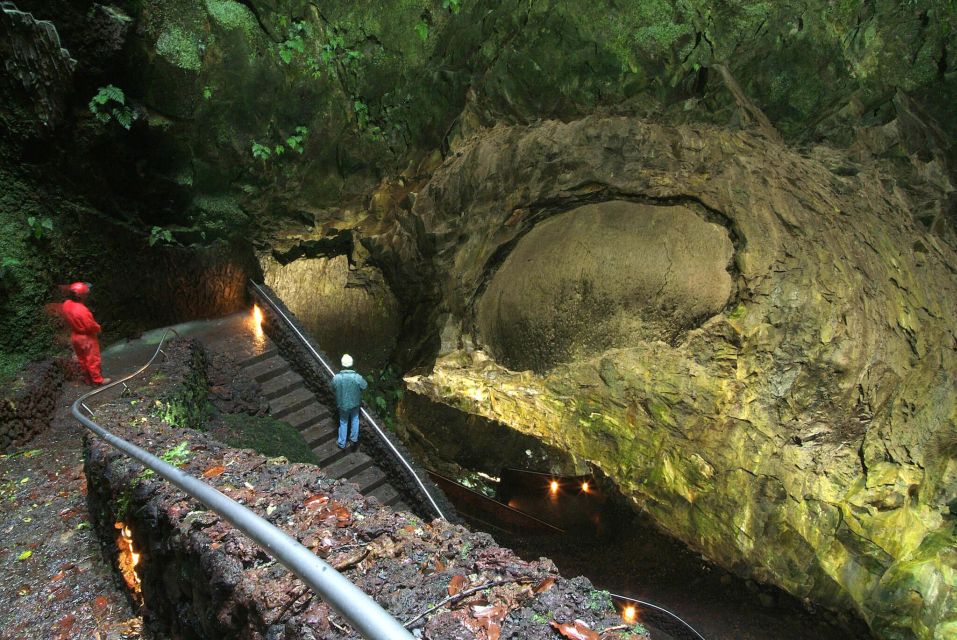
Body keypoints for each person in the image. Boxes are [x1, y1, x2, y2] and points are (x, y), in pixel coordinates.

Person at [61, 281, 108, 385]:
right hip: (86, 337)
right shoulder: (82, 310)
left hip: (75, 336)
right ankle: (97, 380)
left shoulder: (66, 304)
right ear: (81, 296)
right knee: (92, 358)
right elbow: (90, 325)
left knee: (82, 359)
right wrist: (98, 328)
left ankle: (88, 379)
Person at [331, 353, 367, 450]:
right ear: (352, 364)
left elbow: (332, 387)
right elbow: (364, 386)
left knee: (343, 422)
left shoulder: (337, 377)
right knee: (355, 420)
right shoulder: (357, 377)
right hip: (355, 404)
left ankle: (342, 443)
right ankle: (353, 440)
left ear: (342, 364)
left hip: (342, 405)